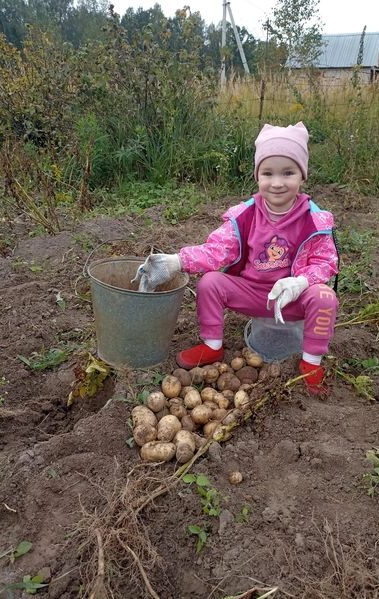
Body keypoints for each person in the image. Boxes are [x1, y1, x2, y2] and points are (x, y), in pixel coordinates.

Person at [133, 122, 339, 395]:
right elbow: (215, 250)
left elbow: (325, 263)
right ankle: (212, 346)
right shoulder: (245, 215)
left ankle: (311, 364)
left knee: (325, 297)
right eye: (268, 173)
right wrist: (177, 261)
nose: (277, 183)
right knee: (210, 283)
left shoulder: (314, 221)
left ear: (302, 176)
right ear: (258, 176)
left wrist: (301, 282)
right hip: (252, 294)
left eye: (288, 173)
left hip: (291, 298)